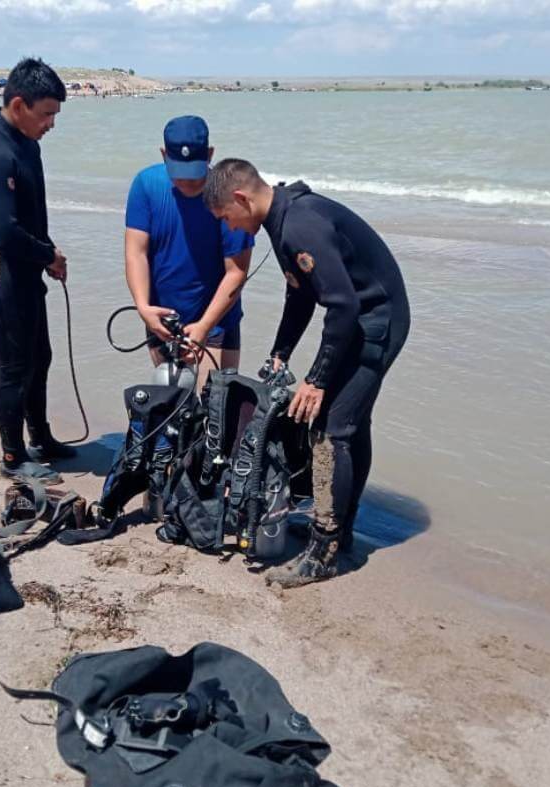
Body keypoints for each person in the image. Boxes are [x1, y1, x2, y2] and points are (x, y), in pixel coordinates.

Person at [204, 159, 410, 588]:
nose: (229, 227)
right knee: (349, 426)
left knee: (331, 431)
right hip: (360, 314)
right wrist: (281, 353)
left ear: (241, 198)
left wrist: (315, 380)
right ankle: (341, 530)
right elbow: (301, 297)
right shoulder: (278, 222)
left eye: (226, 216)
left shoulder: (299, 224)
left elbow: (343, 305)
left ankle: (325, 550)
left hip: (378, 320)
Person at [0, 57, 71, 485]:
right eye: (46, 114)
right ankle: (12, 455)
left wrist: (45, 252)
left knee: (39, 358)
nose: (51, 124)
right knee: (14, 368)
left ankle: (41, 438)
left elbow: (29, 215)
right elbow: (6, 232)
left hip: (24, 272)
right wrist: (48, 255)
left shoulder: (27, 142)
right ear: (20, 104)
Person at [125, 116, 253, 386]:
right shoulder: (145, 185)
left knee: (215, 414)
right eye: (179, 175)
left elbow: (237, 271)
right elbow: (136, 253)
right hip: (162, 319)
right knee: (170, 407)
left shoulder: (230, 195)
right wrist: (143, 307)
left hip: (217, 321)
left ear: (210, 154)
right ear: (163, 155)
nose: (187, 184)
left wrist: (205, 325)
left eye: (194, 176)